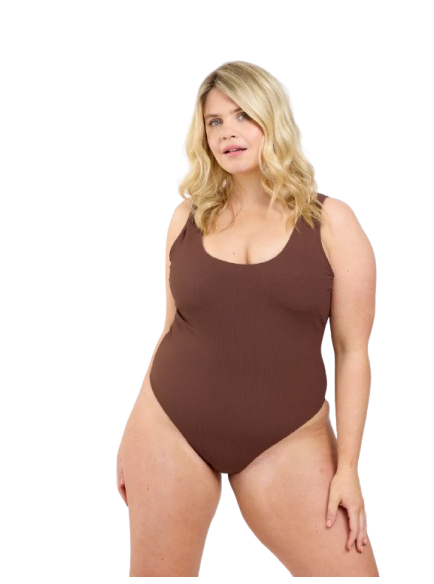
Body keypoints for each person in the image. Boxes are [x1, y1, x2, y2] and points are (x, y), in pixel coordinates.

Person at [116, 60, 379, 577]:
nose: (227, 132)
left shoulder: (331, 222)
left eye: (243, 116)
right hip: (169, 426)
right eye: (214, 121)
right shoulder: (187, 218)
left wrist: (348, 467)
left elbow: (352, 352)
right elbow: (170, 329)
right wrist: (132, 428)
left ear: (271, 120)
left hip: (288, 438)